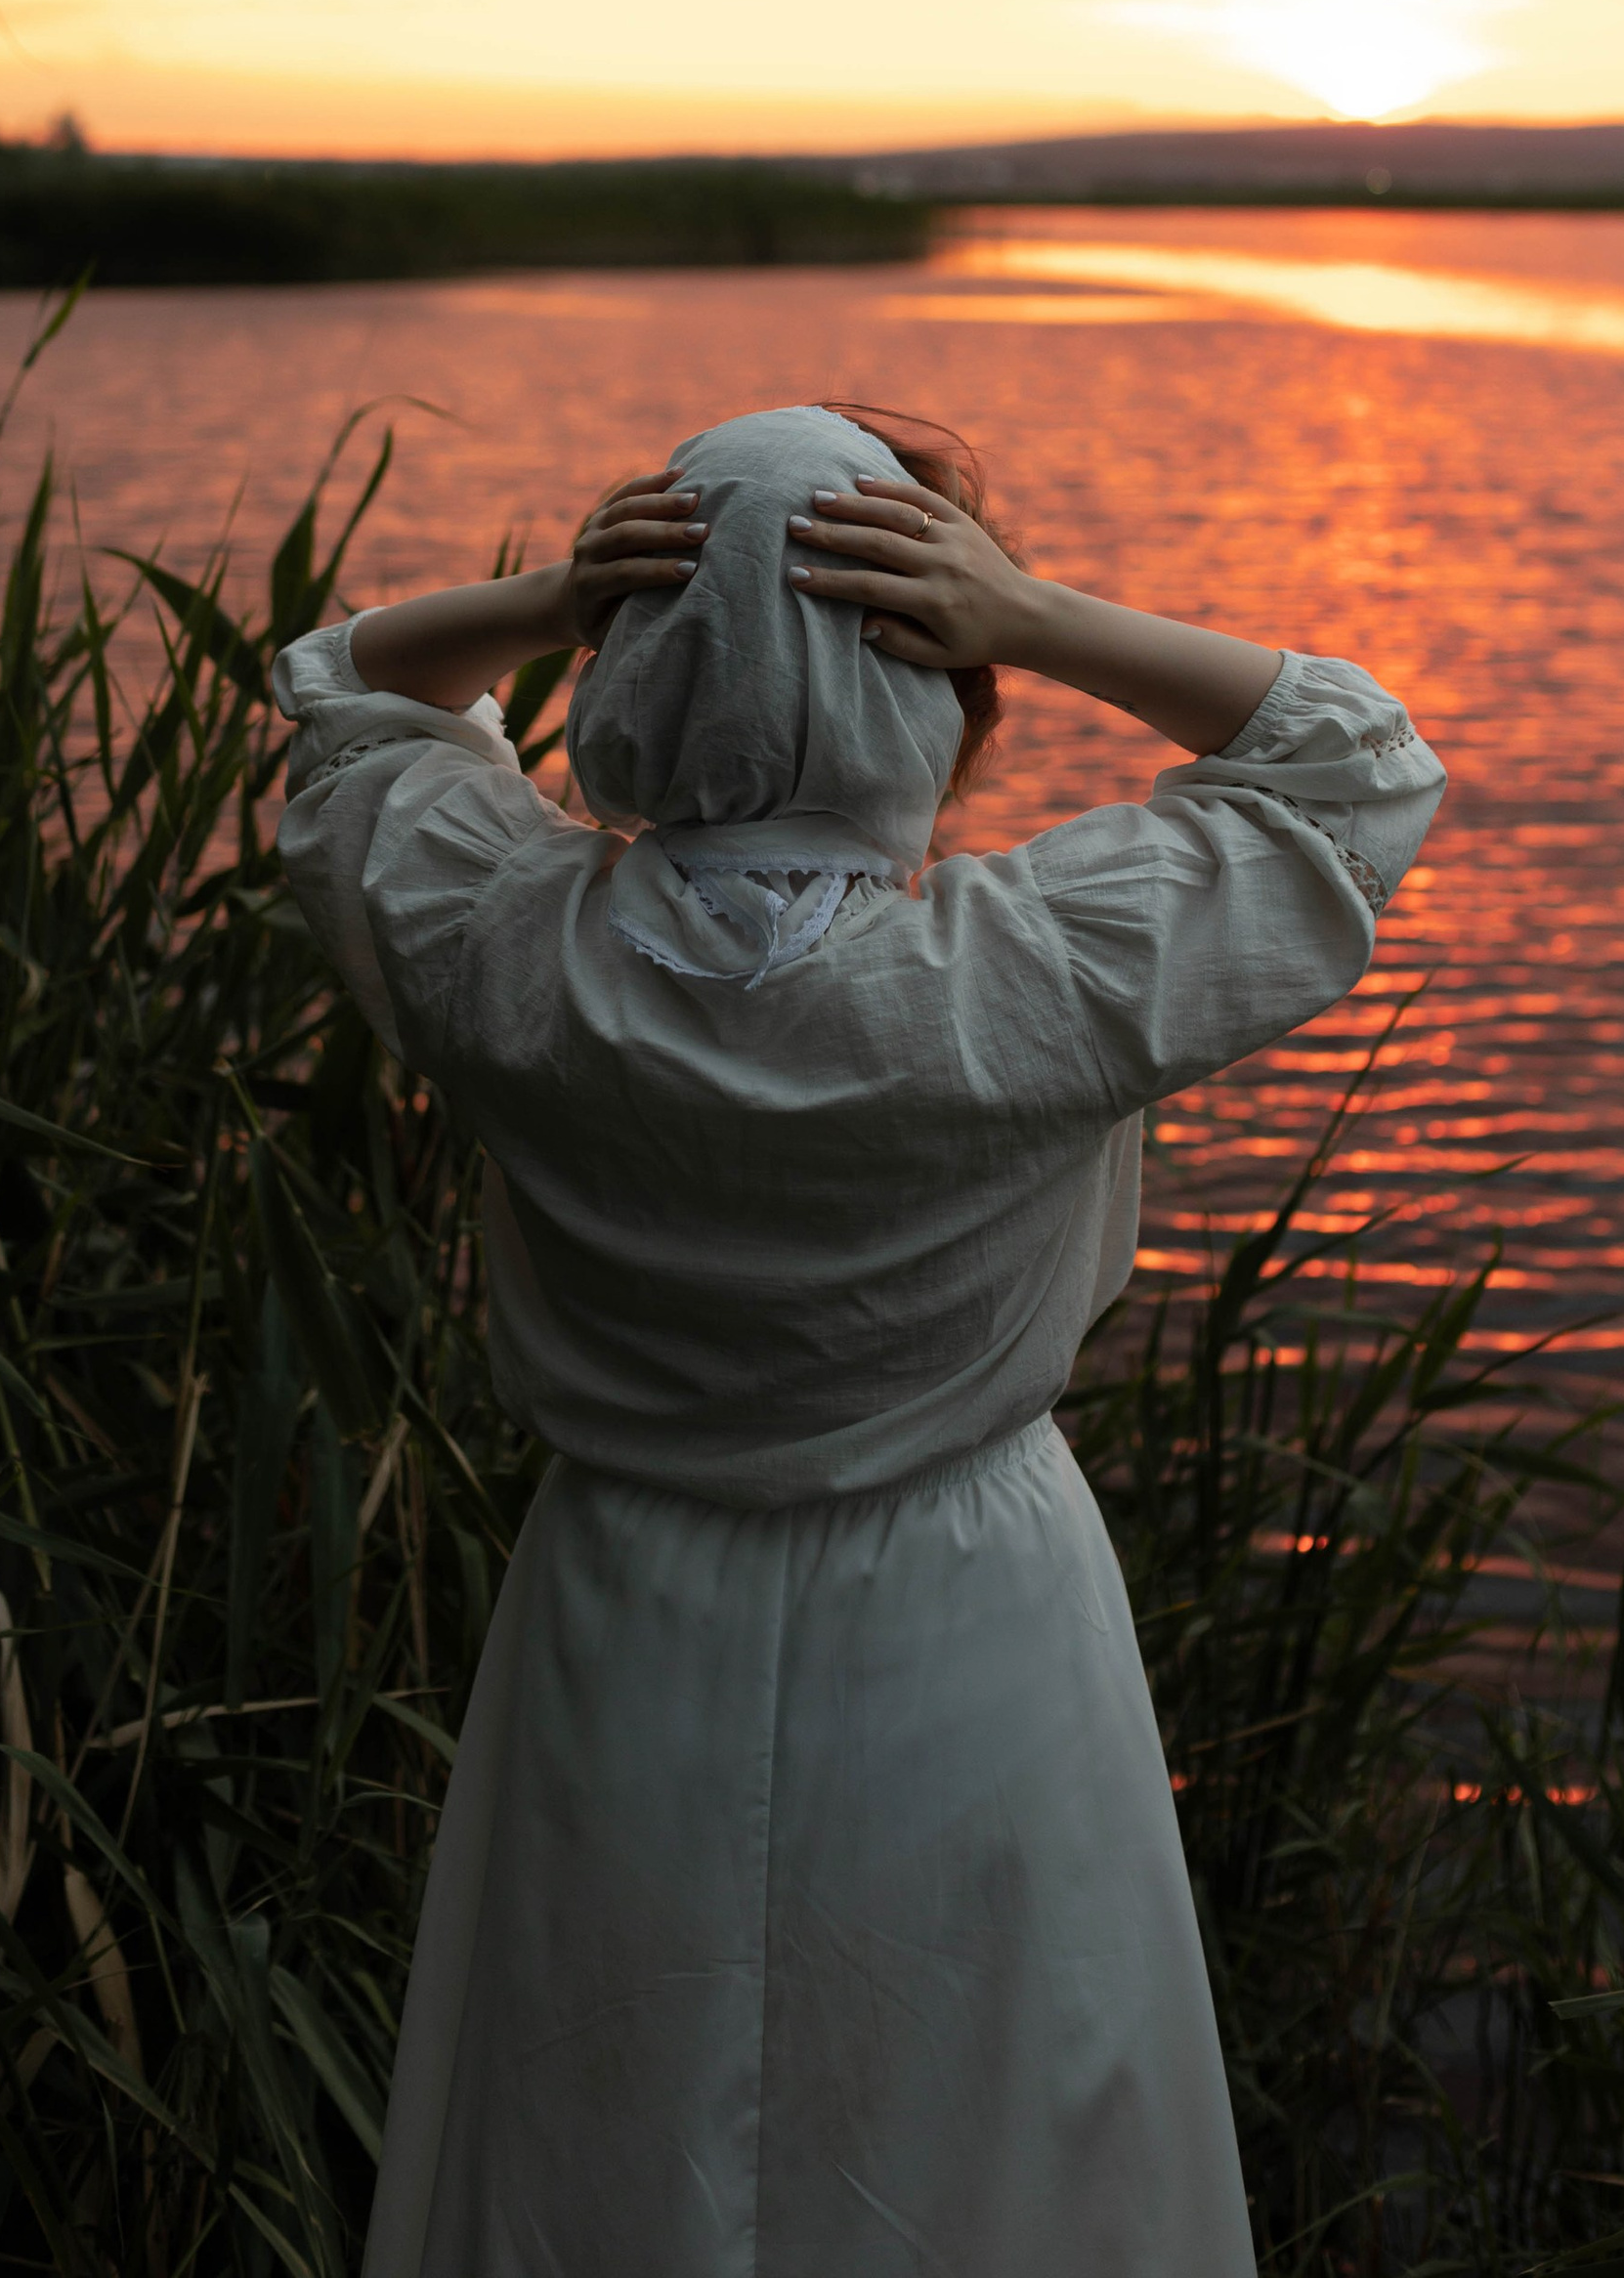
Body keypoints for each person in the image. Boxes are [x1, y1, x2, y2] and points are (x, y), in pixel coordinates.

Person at [275, 401, 1446, 2277]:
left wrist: (558, 594)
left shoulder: (503, 944)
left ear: (631, 664)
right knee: (989, 2129)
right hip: (971, 1607)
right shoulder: (1029, 973)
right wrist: (1036, 611)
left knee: (611, 2115)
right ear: (942, 688)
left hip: (623, 1606)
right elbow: (1352, 766)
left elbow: (350, 699)